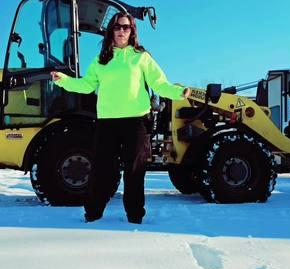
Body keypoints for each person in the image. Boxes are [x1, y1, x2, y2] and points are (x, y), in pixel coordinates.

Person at [51, 12, 190, 224]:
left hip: (136, 122)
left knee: (135, 172)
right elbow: (87, 85)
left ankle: (135, 217)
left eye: (126, 27)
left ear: (132, 30)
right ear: (111, 31)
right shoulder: (101, 60)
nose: (121, 31)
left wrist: (177, 92)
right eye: (117, 27)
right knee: (102, 171)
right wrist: (64, 80)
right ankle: (93, 214)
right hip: (107, 123)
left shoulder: (141, 57)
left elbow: (159, 84)